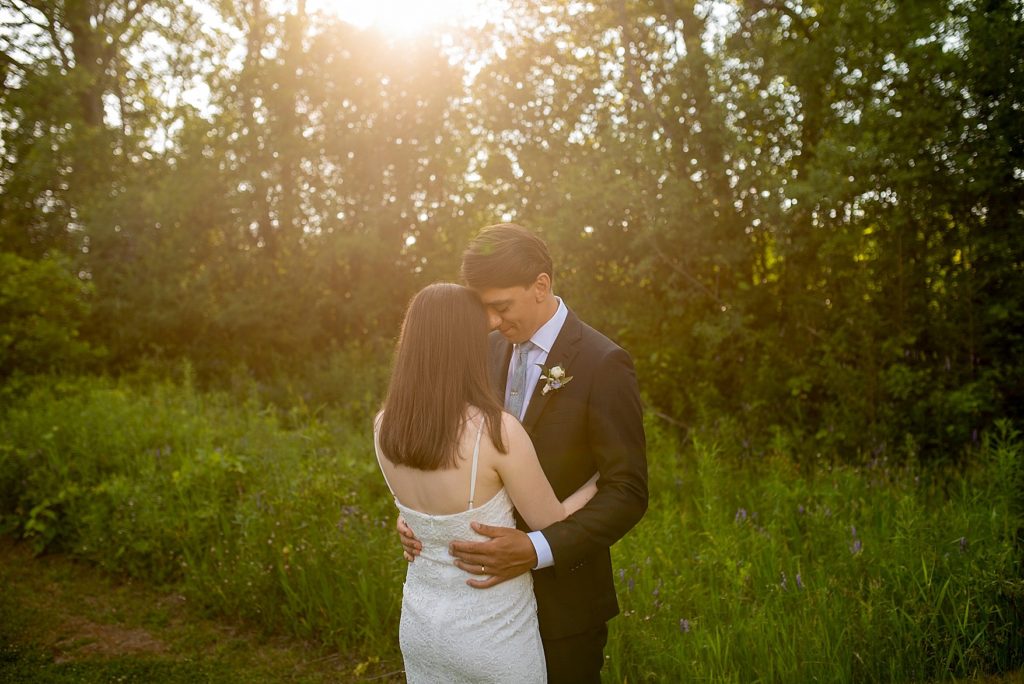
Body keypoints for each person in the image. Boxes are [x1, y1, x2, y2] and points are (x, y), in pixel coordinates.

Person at [400, 224, 648, 683]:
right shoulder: (483, 350)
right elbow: (452, 450)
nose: (492, 322)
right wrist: (424, 519)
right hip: (480, 610)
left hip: (564, 602)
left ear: (541, 285)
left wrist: (536, 549)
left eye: (501, 307)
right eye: (484, 309)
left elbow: (628, 490)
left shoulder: (603, 363)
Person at [374, 282, 600, 683]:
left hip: (422, 628)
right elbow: (552, 519)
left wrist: (405, 523)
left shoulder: (384, 425)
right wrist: (595, 484)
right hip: (492, 633)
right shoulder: (497, 433)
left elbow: (415, 513)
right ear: (465, 346)